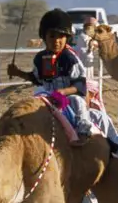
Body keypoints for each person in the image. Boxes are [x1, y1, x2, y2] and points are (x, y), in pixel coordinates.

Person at [7, 8, 93, 145]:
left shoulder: (70, 59)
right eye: (52, 36)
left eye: (61, 36)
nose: (56, 41)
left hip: (67, 98)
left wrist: (63, 92)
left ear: (67, 38)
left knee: (77, 101)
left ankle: (83, 131)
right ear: (44, 37)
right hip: (48, 96)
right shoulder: (39, 58)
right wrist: (18, 72)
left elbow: (80, 84)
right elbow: (36, 79)